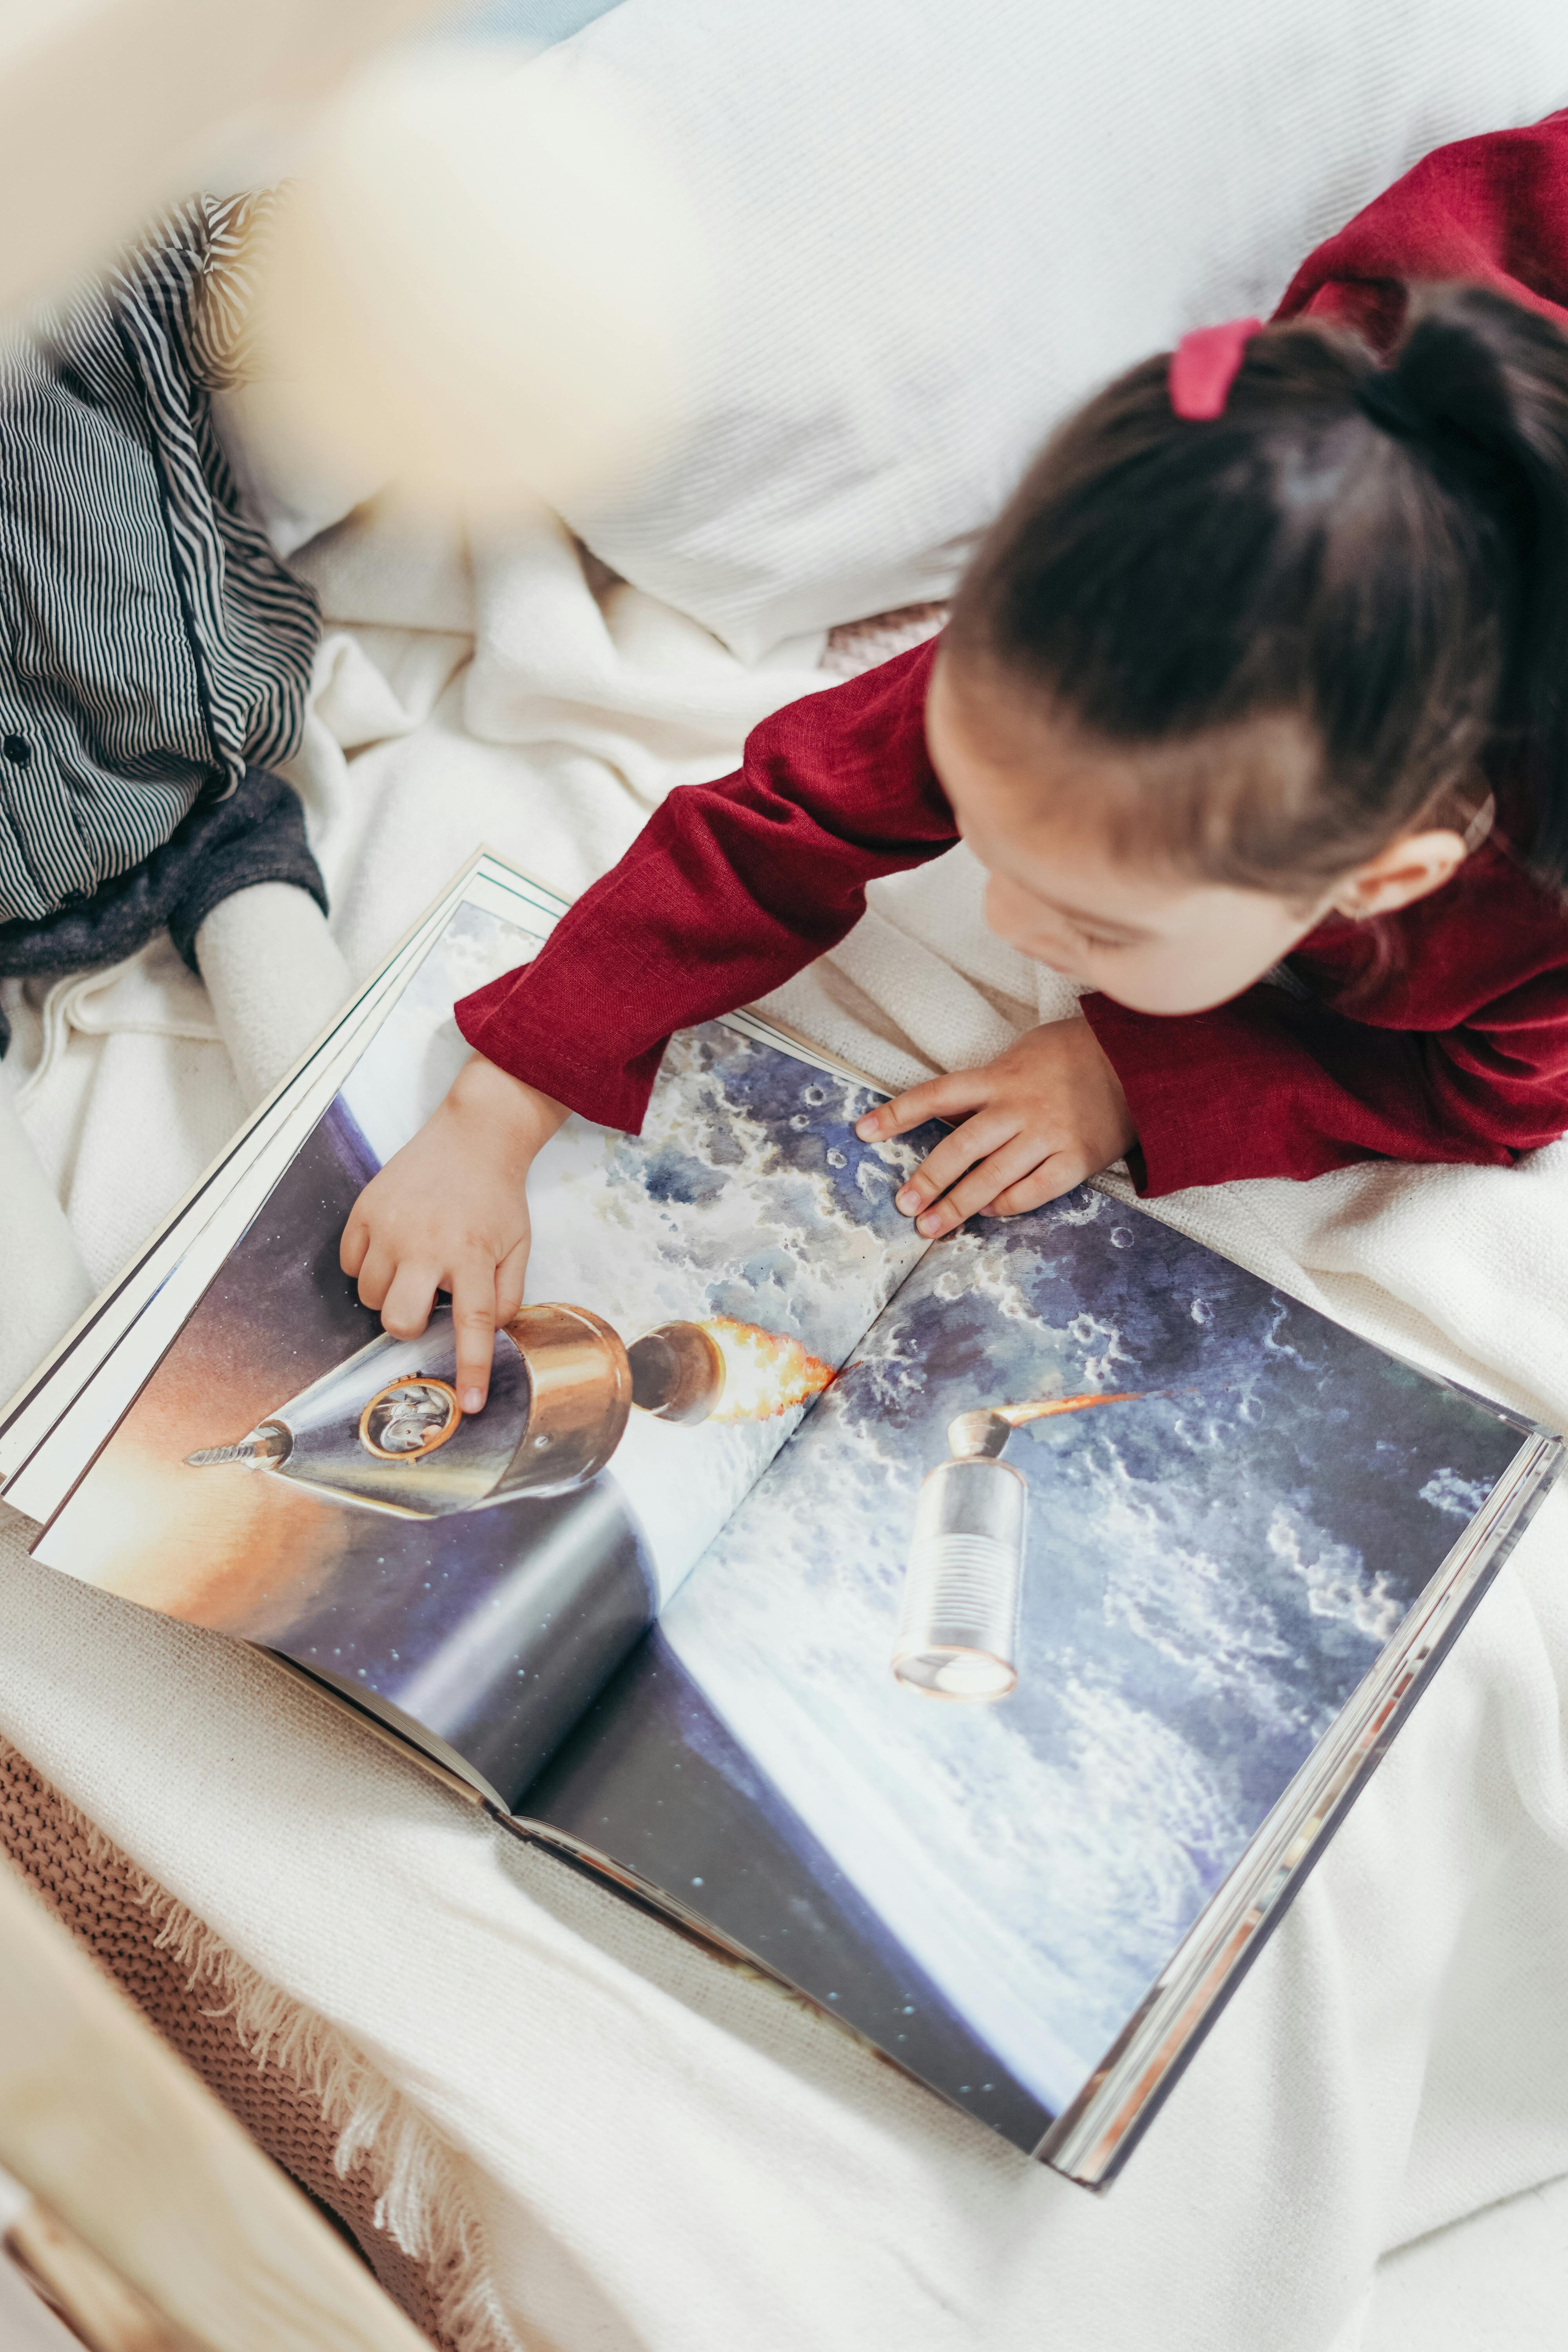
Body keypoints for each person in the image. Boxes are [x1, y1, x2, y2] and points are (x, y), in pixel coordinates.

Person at [343, 269, 1568, 1412]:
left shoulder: (1528, 941)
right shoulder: (1089, 660)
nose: (1005, 924)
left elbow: (1485, 1091)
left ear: (1377, 879)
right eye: (987, 835)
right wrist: (496, 1110)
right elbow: (785, 817)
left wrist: (1129, 1072)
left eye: (1098, 926)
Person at [0, 191, 324, 1056]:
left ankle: (336, 1151)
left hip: (183, 776)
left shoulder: (96, 204)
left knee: (266, 912)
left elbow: (247, 287)